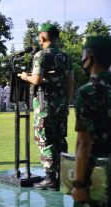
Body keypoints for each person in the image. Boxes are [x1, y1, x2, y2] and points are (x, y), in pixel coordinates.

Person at [19, 23, 74, 190]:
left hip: (45, 106)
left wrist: (24, 77)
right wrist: (66, 102)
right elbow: (70, 81)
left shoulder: (40, 55)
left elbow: (36, 80)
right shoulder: (65, 57)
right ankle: (63, 176)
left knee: (45, 140)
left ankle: (50, 179)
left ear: (42, 37)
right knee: (60, 140)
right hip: (61, 106)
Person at [71, 36, 111, 207]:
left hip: (96, 173)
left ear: (90, 56)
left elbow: (84, 143)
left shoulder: (87, 91)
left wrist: (79, 184)